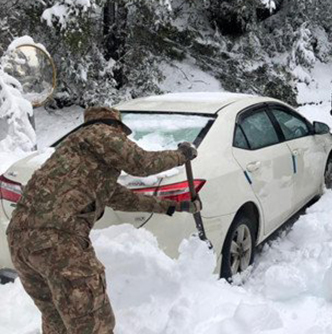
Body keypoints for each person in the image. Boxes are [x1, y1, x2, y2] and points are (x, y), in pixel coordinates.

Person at [6, 107, 201, 334]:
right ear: (115, 128)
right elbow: (142, 163)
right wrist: (181, 156)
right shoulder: (100, 132)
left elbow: (124, 199)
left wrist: (173, 206)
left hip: (20, 243)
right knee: (95, 325)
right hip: (58, 241)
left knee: (58, 321)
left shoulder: (77, 161)